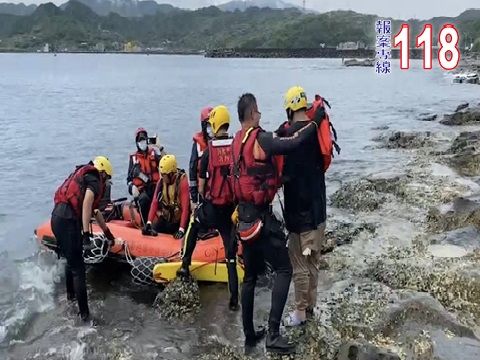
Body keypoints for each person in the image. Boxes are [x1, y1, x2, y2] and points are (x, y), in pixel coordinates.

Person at [232, 93, 325, 354]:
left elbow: (251, 174)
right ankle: (273, 334)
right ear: (251, 114)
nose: (260, 115)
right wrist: (315, 121)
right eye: (258, 111)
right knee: (284, 269)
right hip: (261, 220)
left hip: (243, 220)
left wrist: (281, 180)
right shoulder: (260, 138)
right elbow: (293, 142)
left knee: (249, 277)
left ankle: (249, 334)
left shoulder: (237, 141)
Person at [177, 105, 239, 311]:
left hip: (212, 207)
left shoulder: (208, 152)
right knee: (230, 254)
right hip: (230, 210)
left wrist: (200, 201)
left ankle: (185, 265)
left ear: (213, 124)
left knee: (194, 225)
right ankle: (234, 299)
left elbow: (201, 182)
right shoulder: (236, 147)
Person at [277, 86, 327, 327]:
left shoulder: (289, 137)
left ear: (289, 108)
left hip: (300, 216)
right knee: (313, 262)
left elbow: (283, 174)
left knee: (299, 265)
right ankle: (310, 306)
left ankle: (299, 313)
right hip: (319, 212)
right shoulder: (316, 130)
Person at [51, 156, 116, 322]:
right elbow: (87, 204)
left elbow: (95, 212)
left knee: (71, 261)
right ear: (103, 173)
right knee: (79, 269)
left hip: (57, 218)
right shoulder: (94, 179)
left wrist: (107, 234)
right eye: (107, 178)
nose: (106, 182)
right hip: (67, 220)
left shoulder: (83, 176)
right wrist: (86, 234)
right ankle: (85, 317)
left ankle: (70, 298)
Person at [142, 155, 190, 238]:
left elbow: (185, 208)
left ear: (171, 174)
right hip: (166, 219)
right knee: (150, 233)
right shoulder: (161, 182)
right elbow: (155, 202)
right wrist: (149, 222)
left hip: (178, 221)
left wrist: (181, 229)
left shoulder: (182, 183)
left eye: (164, 174)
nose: (162, 177)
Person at [127, 127, 163, 226]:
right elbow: (129, 180)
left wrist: (160, 147)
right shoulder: (133, 159)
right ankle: (146, 225)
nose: (142, 142)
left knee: (163, 197)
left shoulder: (154, 154)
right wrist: (132, 187)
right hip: (142, 191)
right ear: (136, 142)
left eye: (144, 139)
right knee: (143, 200)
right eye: (140, 140)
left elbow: (167, 163)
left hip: (155, 188)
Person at [189, 107, 212, 206]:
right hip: (202, 191)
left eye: (212, 124)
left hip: (217, 190)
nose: (210, 127)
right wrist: (194, 197)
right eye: (208, 125)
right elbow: (192, 169)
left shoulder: (220, 141)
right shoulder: (198, 145)